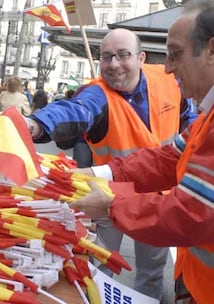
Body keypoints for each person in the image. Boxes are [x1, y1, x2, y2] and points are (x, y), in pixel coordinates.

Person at [22, 28, 198, 300]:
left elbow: (188, 116)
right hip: (107, 194)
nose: (114, 64)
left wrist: (191, 146)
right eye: (106, 57)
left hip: (157, 198)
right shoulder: (97, 94)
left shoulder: (168, 81)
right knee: (99, 262)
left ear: (141, 58)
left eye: (123, 55)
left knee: (151, 269)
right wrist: (34, 125)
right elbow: (75, 110)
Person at [71, 1, 214, 302]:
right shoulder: (206, 116)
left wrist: (111, 203)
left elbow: (188, 214)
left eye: (175, 55)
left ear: (211, 50)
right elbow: (166, 159)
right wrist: (98, 173)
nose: (167, 67)